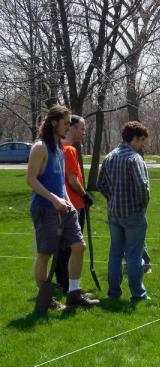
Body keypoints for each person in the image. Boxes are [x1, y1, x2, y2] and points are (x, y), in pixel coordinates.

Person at [27, 105, 99, 310]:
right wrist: (53, 200)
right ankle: (46, 299)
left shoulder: (60, 148)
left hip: (64, 207)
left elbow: (60, 183)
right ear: (53, 123)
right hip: (44, 208)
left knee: (79, 247)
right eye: (66, 123)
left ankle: (74, 294)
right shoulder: (40, 147)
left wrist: (66, 201)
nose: (69, 127)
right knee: (45, 254)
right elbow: (31, 180)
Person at [97, 121, 150, 301]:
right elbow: (143, 186)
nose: (142, 144)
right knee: (134, 256)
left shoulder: (109, 157)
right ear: (134, 138)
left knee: (115, 254)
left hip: (114, 214)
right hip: (133, 214)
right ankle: (138, 294)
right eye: (141, 140)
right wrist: (143, 205)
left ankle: (114, 293)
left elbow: (100, 184)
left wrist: (111, 198)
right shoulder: (134, 158)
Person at [55, 115, 93, 294]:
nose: (84, 132)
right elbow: (72, 179)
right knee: (74, 247)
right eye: (82, 129)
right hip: (73, 203)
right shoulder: (69, 150)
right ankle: (71, 286)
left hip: (59, 203)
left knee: (62, 246)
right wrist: (85, 195)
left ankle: (62, 282)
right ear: (71, 128)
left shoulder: (55, 147)